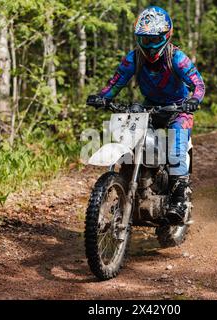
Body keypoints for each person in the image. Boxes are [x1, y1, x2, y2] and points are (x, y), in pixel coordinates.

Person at [87, 6, 205, 225]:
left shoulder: (177, 58)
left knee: (176, 146)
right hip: (148, 108)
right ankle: (127, 189)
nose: (149, 46)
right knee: (130, 142)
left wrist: (193, 101)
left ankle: (179, 201)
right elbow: (115, 84)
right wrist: (102, 97)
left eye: (154, 40)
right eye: (144, 40)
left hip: (177, 110)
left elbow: (198, 84)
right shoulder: (134, 59)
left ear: (166, 36)